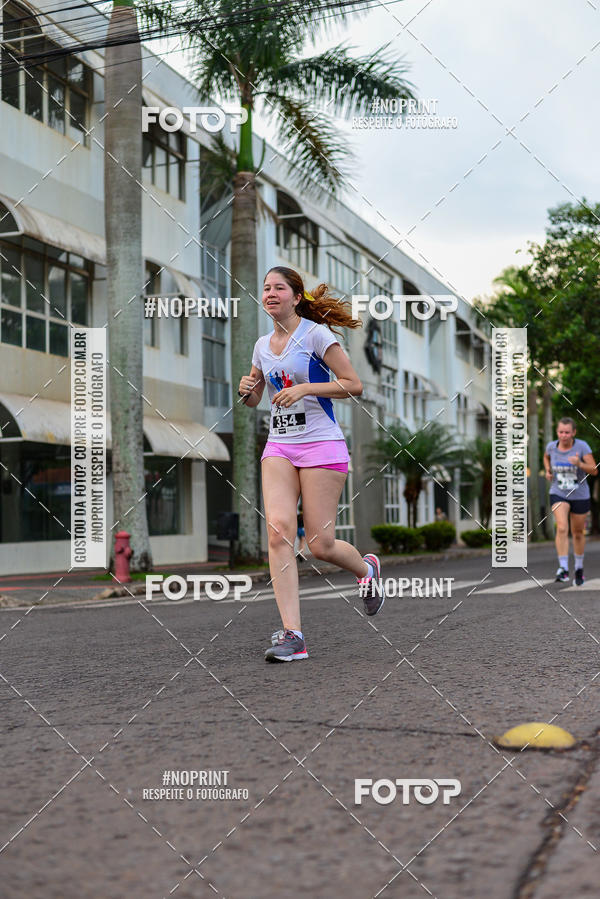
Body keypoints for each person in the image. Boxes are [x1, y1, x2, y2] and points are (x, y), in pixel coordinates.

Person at [238, 265, 385, 662]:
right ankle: (293, 636)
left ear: (296, 297)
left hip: (322, 446)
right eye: (265, 288)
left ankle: (365, 571)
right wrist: (248, 389)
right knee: (279, 532)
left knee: (319, 545)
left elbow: (353, 384)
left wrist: (304, 387)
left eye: (279, 288)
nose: (270, 293)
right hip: (280, 447)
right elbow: (257, 399)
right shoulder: (261, 346)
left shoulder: (315, 335)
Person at [543, 417, 597, 585]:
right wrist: (547, 470)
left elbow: (594, 470)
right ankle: (564, 568)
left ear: (573, 433)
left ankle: (579, 569)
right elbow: (546, 457)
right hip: (559, 492)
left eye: (567, 432)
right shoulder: (551, 446)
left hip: (580, 494)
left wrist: (579, 463)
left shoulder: (582, 447)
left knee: (578, 533)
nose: (563, 435)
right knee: (561, 526)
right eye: (560, 432)